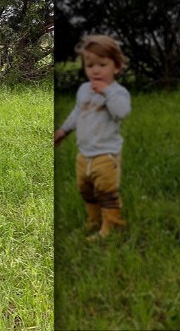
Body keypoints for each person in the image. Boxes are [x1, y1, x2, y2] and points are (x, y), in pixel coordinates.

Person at [54, 35, 131, 241]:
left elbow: (121, 112)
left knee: (106, 192)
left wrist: (106, 92)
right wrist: (63, 130)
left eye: (102, 64)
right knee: (86, 190)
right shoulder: (84, 90)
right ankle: (94, 220)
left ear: (116, 67)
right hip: (84, 154)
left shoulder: (118, 93)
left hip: (106, 155)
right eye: (90, 65)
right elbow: (77, 113)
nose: (95, 70)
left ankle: (111, 226)